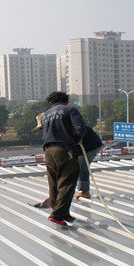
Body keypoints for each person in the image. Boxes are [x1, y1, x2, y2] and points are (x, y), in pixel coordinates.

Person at [40, 91, 86, 226]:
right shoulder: (70, 110)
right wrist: (78, 139)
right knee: (67, 181)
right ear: (66, 101)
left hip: (49, 151)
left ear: (50, 103)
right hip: (65, 150)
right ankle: (58, 214)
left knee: (53, 182)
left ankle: (62, 212)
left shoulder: (45, 115)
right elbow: (80, 128)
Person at [33, 125, 103, 207]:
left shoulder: (62, 127)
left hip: (90, 146)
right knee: (75, 167)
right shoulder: (56, 129)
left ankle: (84, 192)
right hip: (81, 147)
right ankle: (68, 192)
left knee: (80, 167)